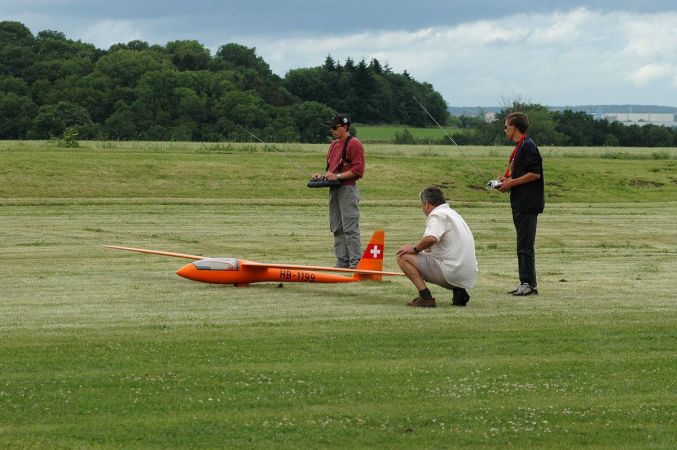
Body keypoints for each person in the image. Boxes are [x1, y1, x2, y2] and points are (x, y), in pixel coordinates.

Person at [396, 186, 479, 307]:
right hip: (468, 274)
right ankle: (459, 291)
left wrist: (414, 248)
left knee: (403, 256)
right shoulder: (453, 214)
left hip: (452, 272)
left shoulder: (437, 215)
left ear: (426, 204)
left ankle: (426, 297)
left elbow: (431, 238)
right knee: (436, 255)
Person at [497, 111, 544, 296]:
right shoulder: (520, 146)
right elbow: (521, 174)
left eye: (506, 126)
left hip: (528, 203)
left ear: (514, 127)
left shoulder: (528, 145)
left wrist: (511, 183)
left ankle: (529, 284)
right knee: (522, 244)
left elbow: (535, 173)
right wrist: (506, 180)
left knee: (525, 245)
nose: (505, 130)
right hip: (519, 202)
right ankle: (525, 282)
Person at [313, 113, 365, 268]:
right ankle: (342, 262)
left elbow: (358, 170)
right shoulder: (333, 144)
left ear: (345, 127)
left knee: (350, 228)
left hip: (347, 189)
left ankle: (356, 263)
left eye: (335, 127)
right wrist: (322, 176)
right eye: (331, 127)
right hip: (334, 189)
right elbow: (332, 169)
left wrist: (337, 176)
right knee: (336, 227)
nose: (332, 130)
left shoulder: (354, 144)